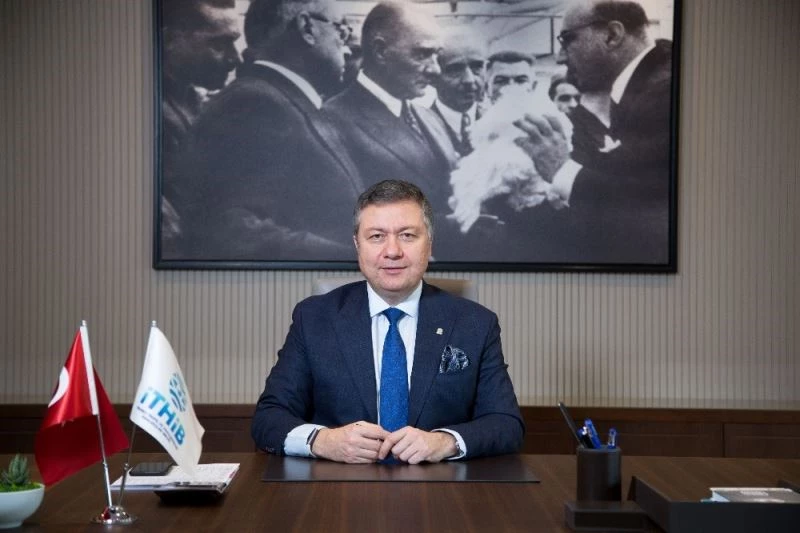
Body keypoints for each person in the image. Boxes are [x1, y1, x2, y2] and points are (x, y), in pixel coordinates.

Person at [251, 180, 525, 463]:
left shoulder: (476, 323)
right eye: (377, 236)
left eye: (407, 235)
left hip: (439, 483)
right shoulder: (313, 318)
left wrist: (445, 442)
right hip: (338, 484)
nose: (392, 251)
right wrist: (324, 441)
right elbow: (268, 419)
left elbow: (506, 424)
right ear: (357, 245)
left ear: (429, 243)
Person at [170, 0, 365, 261]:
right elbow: (228, 230)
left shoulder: (280, 99)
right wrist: (353, 257)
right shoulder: (254, 104)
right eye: (341, 30)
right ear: (307, 27)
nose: (348, 48)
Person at [516, 0, 674, 263]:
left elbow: (642, 214)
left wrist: (561, 169)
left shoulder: (661, 94)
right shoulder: (651, 82)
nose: (560, 57)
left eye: (568, 39)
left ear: (612, 35)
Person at [324, 2, 457, 218]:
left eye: (436, 55)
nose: (435, 70)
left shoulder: (430, 117)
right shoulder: (331, 121)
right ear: (380, 51)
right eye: (422, 54)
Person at [160, 0, 241, 248]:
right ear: (170, 40)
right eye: (219, 44)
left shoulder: (194, 100)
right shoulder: (147, 117)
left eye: (234, 42)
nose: (235, 58)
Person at [430, 34, 487, 157]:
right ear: (432, 78)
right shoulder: (420, 127)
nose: (470, 80)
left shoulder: (498, 122)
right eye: (455, 70)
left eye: (477, 67)